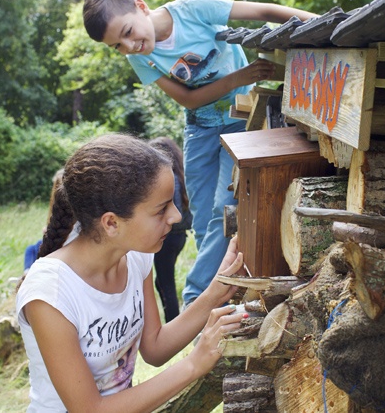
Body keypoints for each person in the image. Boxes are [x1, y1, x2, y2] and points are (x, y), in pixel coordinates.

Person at [82, 0, 318, 305]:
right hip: (199, 129)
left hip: (239, 122)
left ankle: (196, 299)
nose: (129, 46)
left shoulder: (193, 10)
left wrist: (322, 24)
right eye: (117, 46)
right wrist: (240, 76)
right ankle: (224, 294)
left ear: (141, 6)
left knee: (224, 208)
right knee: (204, 221)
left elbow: (264, 11)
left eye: (127, 32)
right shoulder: (141, 57)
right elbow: (189, 99)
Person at [15, 133, 247, 412]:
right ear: (111, 223)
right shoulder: (50, 293)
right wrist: (194, 364)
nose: (175, 217)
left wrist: (215, 293)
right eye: (161, 210)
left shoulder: (135, 257)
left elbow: (155, 347)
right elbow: (91, 409)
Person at [149, 136, 192, 322]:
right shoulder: (182, 176)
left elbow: (169, 211)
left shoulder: (170, 178)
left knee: (165, 283)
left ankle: (173, 323)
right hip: (179, 237)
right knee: (162, 281)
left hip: (168, 237)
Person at [23, 168, 65, 273]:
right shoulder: (58, 207)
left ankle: (28, 273)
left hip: (61, 244)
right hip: (57, 240)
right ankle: (27, 272)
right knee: (31, 249)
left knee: (33, 249)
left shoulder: (63, 206)